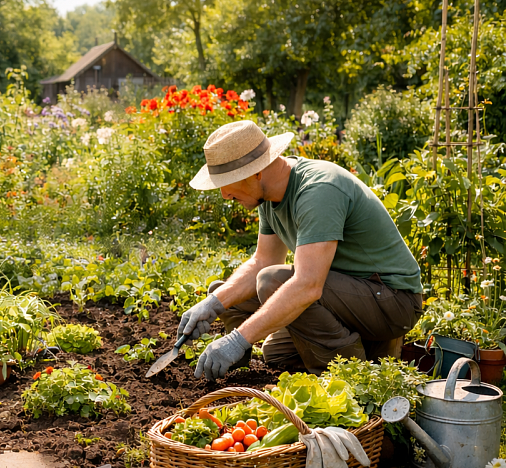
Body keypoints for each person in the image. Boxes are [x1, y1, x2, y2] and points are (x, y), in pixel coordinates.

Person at [177, 120, 423, 381]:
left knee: (273, 281)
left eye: (228, 182)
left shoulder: (318, 190)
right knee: (273, 349)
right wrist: (214, 303)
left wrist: (238, 339)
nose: (225, 194)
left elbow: (307, 285)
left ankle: (355, 378)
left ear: (256, 172)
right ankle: (361, 348)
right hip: (350, 294)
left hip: (392, 300)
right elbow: (263, 261)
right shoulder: (269, 197)